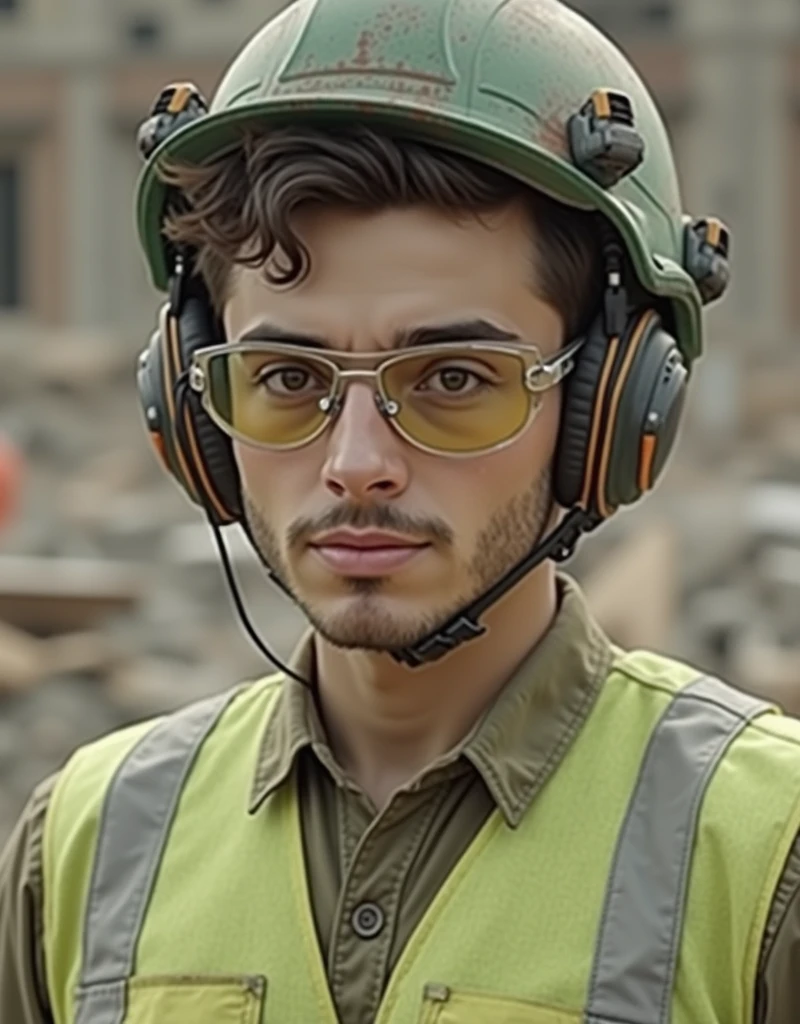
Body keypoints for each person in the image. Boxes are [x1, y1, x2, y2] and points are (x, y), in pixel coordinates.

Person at [1, 0, 799, 1021]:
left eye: (455, 379)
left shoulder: (764, 850)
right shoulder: (81, 842)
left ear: (611, 405)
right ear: (187, 410)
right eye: (285, 377)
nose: (357, 464)